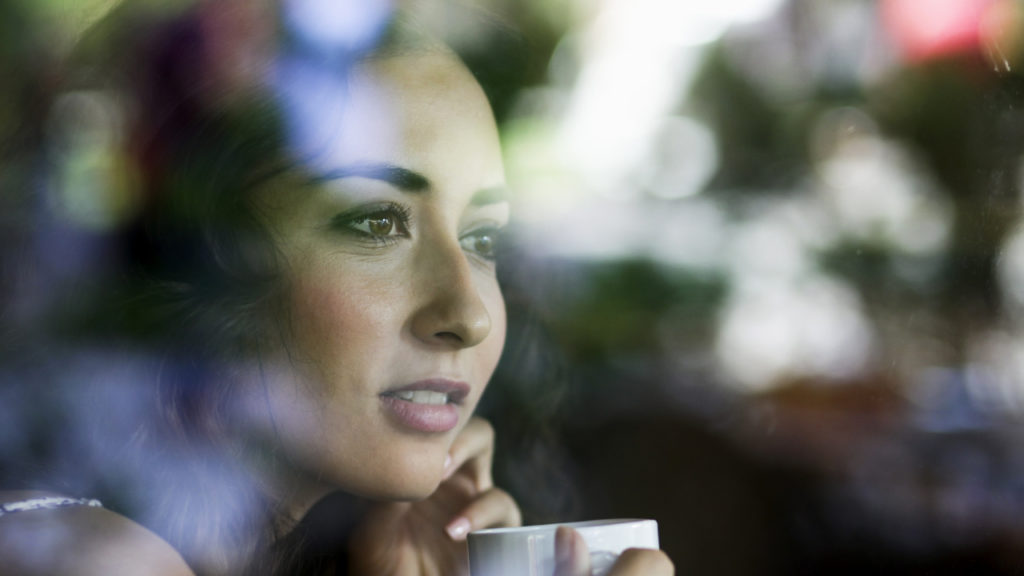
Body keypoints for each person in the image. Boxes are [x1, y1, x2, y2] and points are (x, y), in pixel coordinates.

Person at [0, 2, 673, 575]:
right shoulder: (98, 558)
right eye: (377, 222)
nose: (466, 313)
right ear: (207, 263)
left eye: (483, 240)